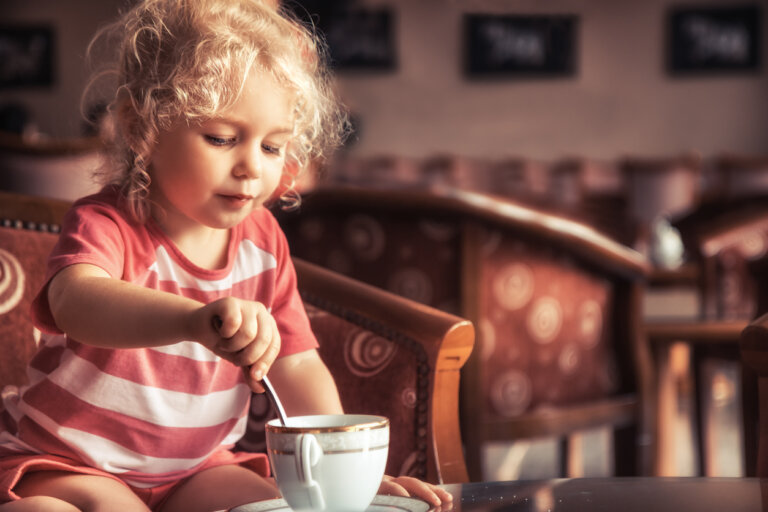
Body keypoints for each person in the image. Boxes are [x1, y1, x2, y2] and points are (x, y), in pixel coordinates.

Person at [0, 1, 454, 510]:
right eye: (221, 138)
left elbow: (298, 365)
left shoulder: (263, 242)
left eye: (272, 146)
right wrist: (194, 321)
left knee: (269, 506)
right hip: (73, 459)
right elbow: (77, 302)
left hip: (196, 467)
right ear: (140, 129)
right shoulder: (109, 222)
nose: (250, 168)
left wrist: (343, 473)